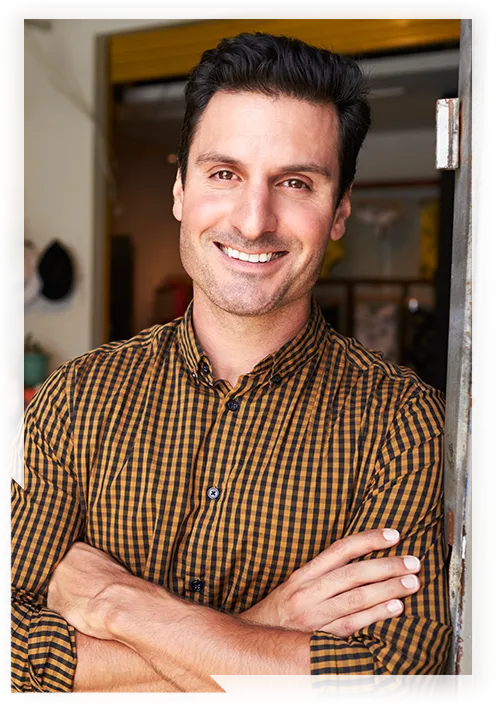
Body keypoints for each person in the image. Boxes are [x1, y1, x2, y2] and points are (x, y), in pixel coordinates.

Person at [0, 32, 451, 704]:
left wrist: (120, 606)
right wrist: (269, 624)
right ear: (180, 191)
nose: (254, 219)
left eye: (295, 183)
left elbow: (386, 686)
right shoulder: (75, 399)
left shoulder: (405, 426)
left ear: (339, 212)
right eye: (224, 174)